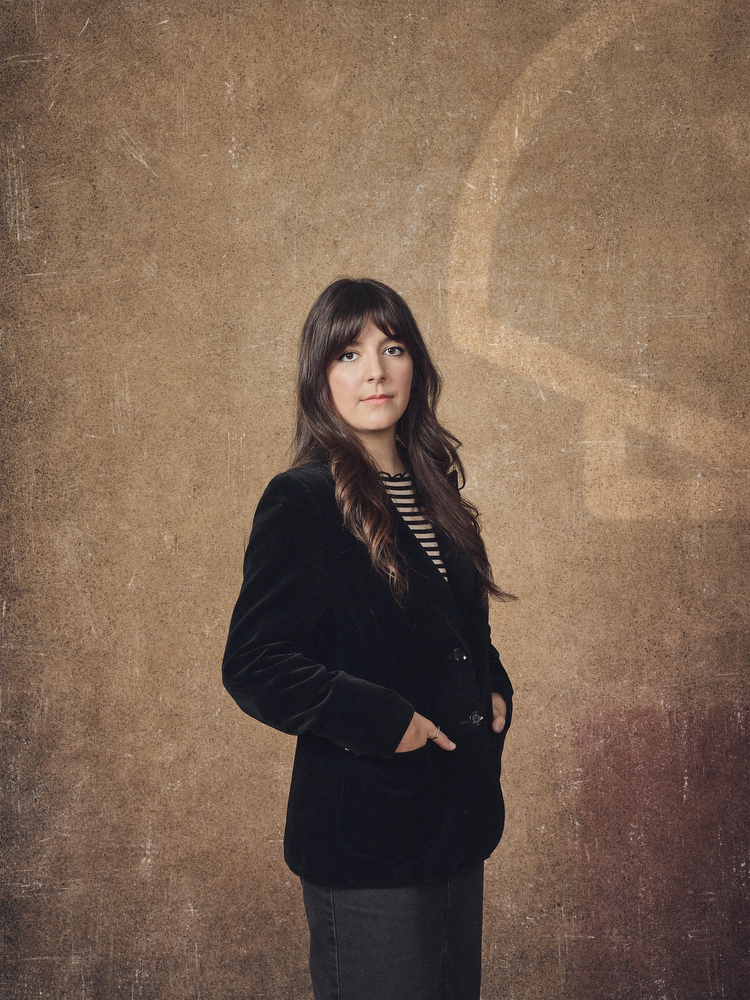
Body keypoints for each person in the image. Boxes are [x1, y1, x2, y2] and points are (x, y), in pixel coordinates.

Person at [222, 277, 514, 1000]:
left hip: (454, 826)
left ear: (416, 365)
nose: (375, 372)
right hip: (367, 842)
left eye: (392, 348)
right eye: (348, 355)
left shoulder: (435, 489)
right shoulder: (303, 499)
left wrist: (494, 687)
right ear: (320, 377)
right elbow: (254, 663)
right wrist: (388, 722)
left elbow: (451, 627)